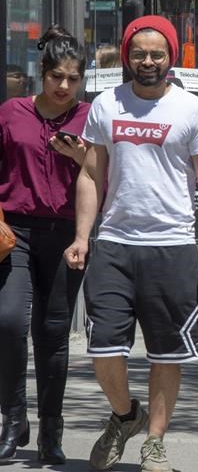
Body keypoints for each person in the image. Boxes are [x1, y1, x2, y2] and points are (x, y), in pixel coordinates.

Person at [63, 15, 198, 472]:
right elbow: (92, 173)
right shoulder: (106, 105)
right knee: (103, 350)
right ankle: (124, 414)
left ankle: (154, 441)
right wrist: (82, 236)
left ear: (171, 56)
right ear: (127, 55)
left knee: (165, 352)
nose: (148, 61)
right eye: (139, 53)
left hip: (172, 246)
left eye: (157, 54)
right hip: (114, 243)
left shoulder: (191, 109)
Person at [0, 25, 89, 465]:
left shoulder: (91, 117)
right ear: (42, 74)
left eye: (73, 78)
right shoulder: (11, 111)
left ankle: (51, 429)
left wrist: (80, 156)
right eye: (56, 76)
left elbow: (106, 177)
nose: (64, 86)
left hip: (65, 234)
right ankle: (13, 417)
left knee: (53, 334)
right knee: (8, 321)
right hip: (13, 232)